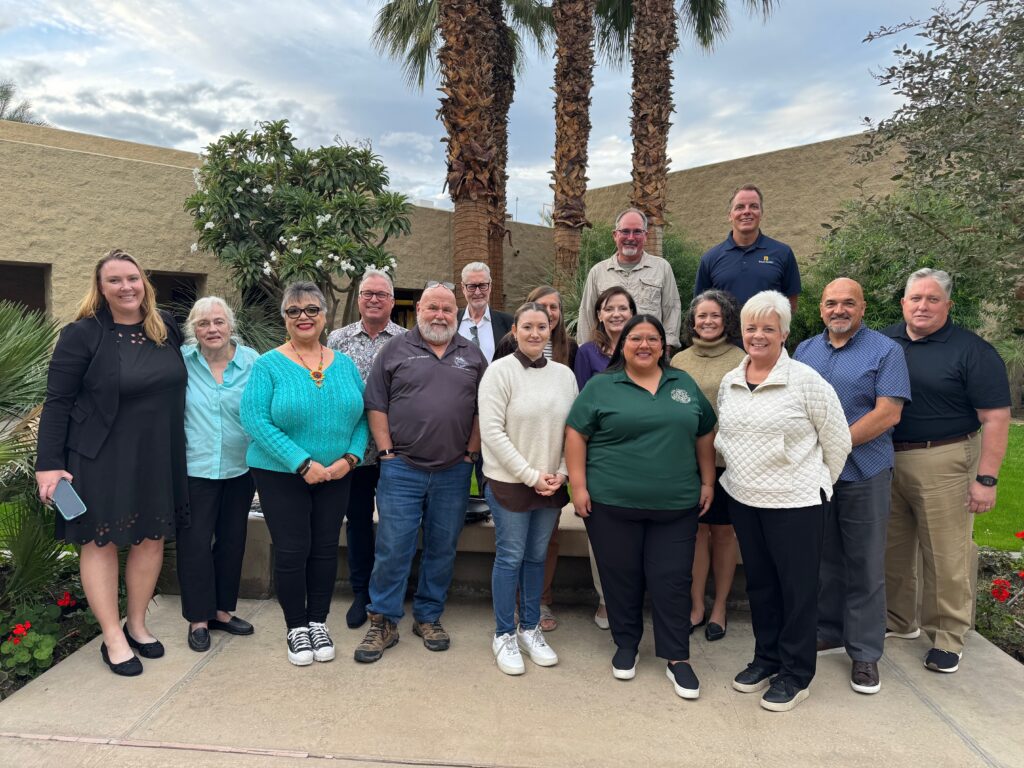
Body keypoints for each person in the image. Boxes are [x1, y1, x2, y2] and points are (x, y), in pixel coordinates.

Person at [36, 248, 187, 676]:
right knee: (100, 543)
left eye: (133, 278)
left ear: (145, 283)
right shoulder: (82, 334)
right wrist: (47, 464)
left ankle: (136, 624)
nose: (127, 287)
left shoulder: (166, 327)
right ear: (100, 289)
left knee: (150, 540)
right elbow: (58, 402)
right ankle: (112, 637)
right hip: (98, 455)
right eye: (115, 280)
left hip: (157, 454)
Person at [566, 315, 717, 700]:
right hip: (612, 503)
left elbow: (704, 432)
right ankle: (627, 644)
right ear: (623, 345)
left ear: (664, 347)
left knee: (672, 580)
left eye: (653, 338)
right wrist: (579, 486)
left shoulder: (681, 383)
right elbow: (576, 433)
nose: (644, 345)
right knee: (621, 578)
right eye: (636, 338)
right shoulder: (602, 386)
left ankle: (677, 657)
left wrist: (708, 481)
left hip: (676, 504)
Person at [716, 290, 851, 712]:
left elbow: (838, 441)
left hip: (796, 504)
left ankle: (796, 674)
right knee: (761, 586)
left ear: (785, 333)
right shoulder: (731, 380)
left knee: (797, 591)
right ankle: (766, 658)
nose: (758, 336)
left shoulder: (807, 382)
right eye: (751, 328)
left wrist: (815, 484)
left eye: (768, 328)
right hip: (745, 498)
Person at [882, 268, 1011, 674]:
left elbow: (995, 418)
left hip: (944, 459)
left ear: (948, 305)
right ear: (903, 303)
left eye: (932, 299)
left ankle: (948, 635)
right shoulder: (883, 341)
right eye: (915, 298)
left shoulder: (972, 350)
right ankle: (899, 621)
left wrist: (986, 479)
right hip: (886, 457)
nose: (922, 306)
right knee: (893, 548)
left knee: (945, 553)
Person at [355, 281, 488, 663]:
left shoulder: (473, 355)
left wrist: (470, 454)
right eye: (432, 308)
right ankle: (383, 620)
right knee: (393, 546)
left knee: (442, 547)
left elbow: (482, 408)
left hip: (453, 471)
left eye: (447, 309)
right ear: (419, 310)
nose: (440, 315)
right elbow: (376, 404)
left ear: (456, 314)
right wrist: (386, 453)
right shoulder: (395, 349)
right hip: (402, 470)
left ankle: (428, 616)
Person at [240, 281, 368, 667]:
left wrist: (351, 458)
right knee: (294, 549)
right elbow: (254, 419)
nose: (303, 317)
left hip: (336, 473)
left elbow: (362, 416)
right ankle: (296, 626)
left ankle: (318, 621)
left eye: (312, 309)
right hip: (281, 474)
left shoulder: (343, 365)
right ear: (284, 318)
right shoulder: (268, 365)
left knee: (326, 548)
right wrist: (301, 462)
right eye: (294, 311)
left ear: (325, 316)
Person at [794, 278, 911, 694]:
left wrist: (835, 445)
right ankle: (830, 629)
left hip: (864, 471)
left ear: (862, 308)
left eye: (848, 303)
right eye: (831, 303)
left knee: (864, 562)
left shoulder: (886, 351)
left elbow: (887, 414)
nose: (838, 310)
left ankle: (864, 653)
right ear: (821, 309)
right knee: (824, 557)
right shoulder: (804, 351)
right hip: (817, 475)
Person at [479, 302, 578, 675]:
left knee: (537, 558)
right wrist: (530, 475)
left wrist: (563, 473)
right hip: (510, 483)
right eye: (527, 327)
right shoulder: (499, 373)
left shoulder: (564, 376)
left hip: (551, 483)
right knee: (510, 557)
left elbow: (573, 429)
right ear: (515, 330)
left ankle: (530, 627)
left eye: (542, 326)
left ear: (550, 330)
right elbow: (492, 432)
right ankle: (504, 633)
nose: (535, 333)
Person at [326, 268, 407, 629]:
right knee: (358, 522)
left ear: (392, 300)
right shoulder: (338, 339)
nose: (373, 299)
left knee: (396, 525)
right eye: (367, 293)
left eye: (381, 294)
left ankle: (387, 590)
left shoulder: (407, 340)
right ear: (359, 298)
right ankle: (362, 591)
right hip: (354, 453)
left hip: (396, 451)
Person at [178, 297, 259, 653]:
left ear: (230, 326)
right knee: (195, 544)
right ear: (193, 330)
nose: (211, 329)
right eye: (203, 324)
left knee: (231, 540)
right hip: (194, 468)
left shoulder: (252, 361)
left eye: (218, 322)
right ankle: (198, 618)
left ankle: (222, 611)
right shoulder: (180, 362)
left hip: (240, 467)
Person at [669, 290, 745, 642]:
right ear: (692, 320)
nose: (708, 321)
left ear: (726, 319)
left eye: (715, 315)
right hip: (688, 463)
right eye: (702, 316)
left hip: (729, 462)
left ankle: (720, 607)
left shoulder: (742, 358)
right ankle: (696, 604)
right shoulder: (678, 361)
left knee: (724, 533)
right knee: (696, 534)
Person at [573, 286, 636, 629]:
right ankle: (605, 598)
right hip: (600, 452)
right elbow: (580, 407)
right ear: (598, 315)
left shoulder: (644, 346)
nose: (616, 314)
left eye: (622, 308)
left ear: (632, 311)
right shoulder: (587, 353)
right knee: (602, 531)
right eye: (609, 308)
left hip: (639, 453)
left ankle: (631, 596)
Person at [575, 209, 682, 349]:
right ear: (615, 235)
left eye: (637, 232)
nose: (631, 237)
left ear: (645, 236)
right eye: (625, 231)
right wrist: (585, 351)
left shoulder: (662, 268)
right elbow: (587, 314)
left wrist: (666, 347)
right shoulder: (598, 272)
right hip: (608, 354)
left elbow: (672, 309)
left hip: (648, 352)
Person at [694, 185, 801, 313]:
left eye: (754, 206)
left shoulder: (783, 253)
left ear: (761, 214)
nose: (746, 211)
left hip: (766, 333)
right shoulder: (710, 258)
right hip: (726, 334)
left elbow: (791, 305)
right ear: (730, 215)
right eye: (740, 207)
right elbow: (700, 307)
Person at [456, 262, 513, 363]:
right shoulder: (452, 321)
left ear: (490, 286)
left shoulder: (508, 323)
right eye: (472, 286)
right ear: (463, 288)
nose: (477, 292)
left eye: (482, 285)